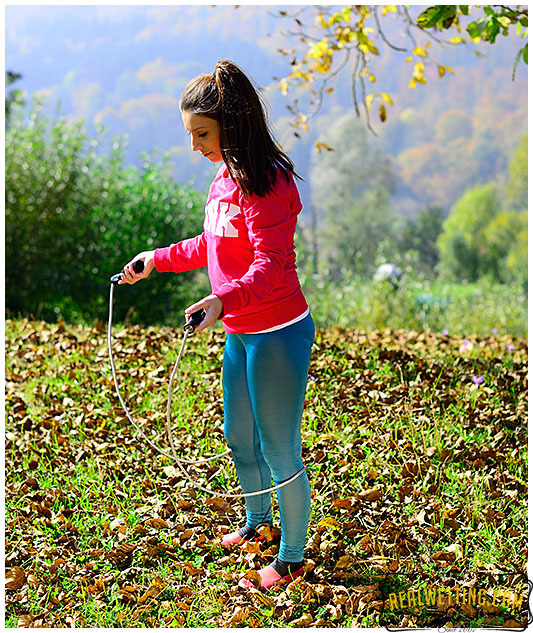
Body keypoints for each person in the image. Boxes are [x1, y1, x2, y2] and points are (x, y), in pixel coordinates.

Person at [119, 60, 315, 591]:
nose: (195, 145)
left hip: (277, 331)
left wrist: (221, 301)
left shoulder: (270, 184)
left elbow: (270, 267)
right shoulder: (223, 179)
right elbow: (211, 244)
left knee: (278, 446)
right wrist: (154, 260)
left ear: (233, 124)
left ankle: (293, 556)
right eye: (191, 134)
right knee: (238, 436)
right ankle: (256, 524)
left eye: (202, 133)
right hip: (241, 330)